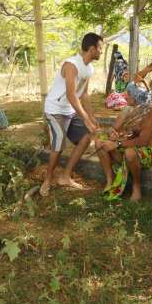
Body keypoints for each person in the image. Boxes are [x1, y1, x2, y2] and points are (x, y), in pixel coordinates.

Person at [41, 32, 103, 196]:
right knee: (59, 143)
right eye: (100, 48)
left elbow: (83, 94)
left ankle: (65, 176)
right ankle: (47, 179)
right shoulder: (71, 65)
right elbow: (70, 95)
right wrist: (85, 118)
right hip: (55, 110)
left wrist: (92, 118)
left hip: (70, 110)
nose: (102, 51)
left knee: (86, 137)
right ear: (92, 49)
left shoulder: (89, 68)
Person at [95, 82, 152, 201]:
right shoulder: (129, 110)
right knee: (99, 142)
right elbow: (115, 128)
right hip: (127, 144)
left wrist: (117, 143)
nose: (125, 96)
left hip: (146, 151)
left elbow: (143, 142)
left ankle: (136, 186)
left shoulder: (150, 113)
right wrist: (112, 134)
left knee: (130, 153)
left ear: (136, 96)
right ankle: (110, 179)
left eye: (128, 93)